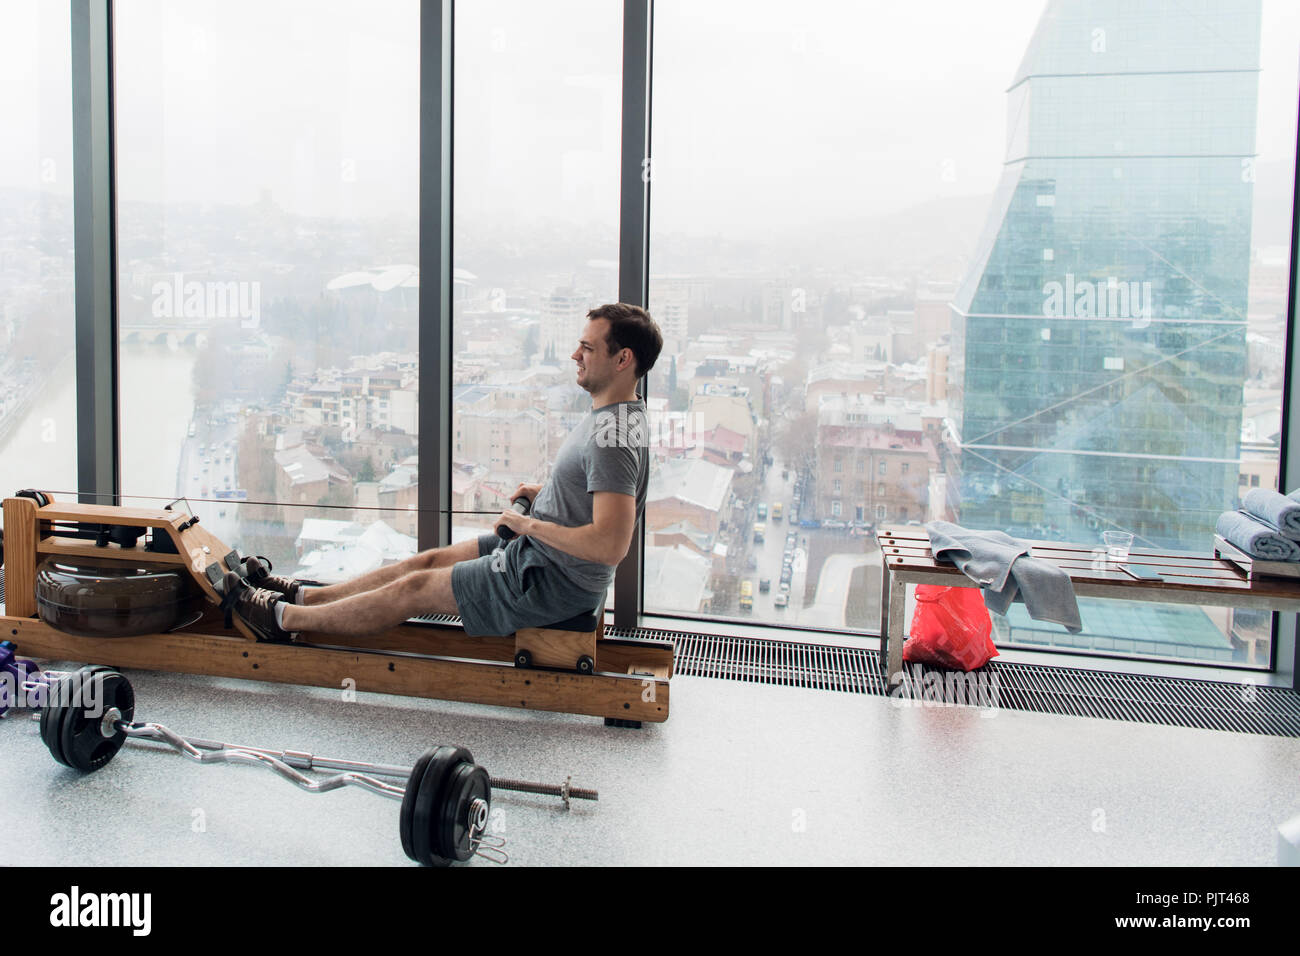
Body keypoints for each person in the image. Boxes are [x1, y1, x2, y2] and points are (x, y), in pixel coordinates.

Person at [225, 303, 663, 641]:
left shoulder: (613, 435)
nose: (574, 354)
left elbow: (610, 544)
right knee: (427, 559)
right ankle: (306, 595)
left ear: (622, 359)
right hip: (539, 553)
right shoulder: (619, 415)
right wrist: (545, 491)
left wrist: (530, 523)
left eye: (587, 348)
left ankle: (282, 620)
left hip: (549, 579)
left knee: (414, 589)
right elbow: (596, 492)